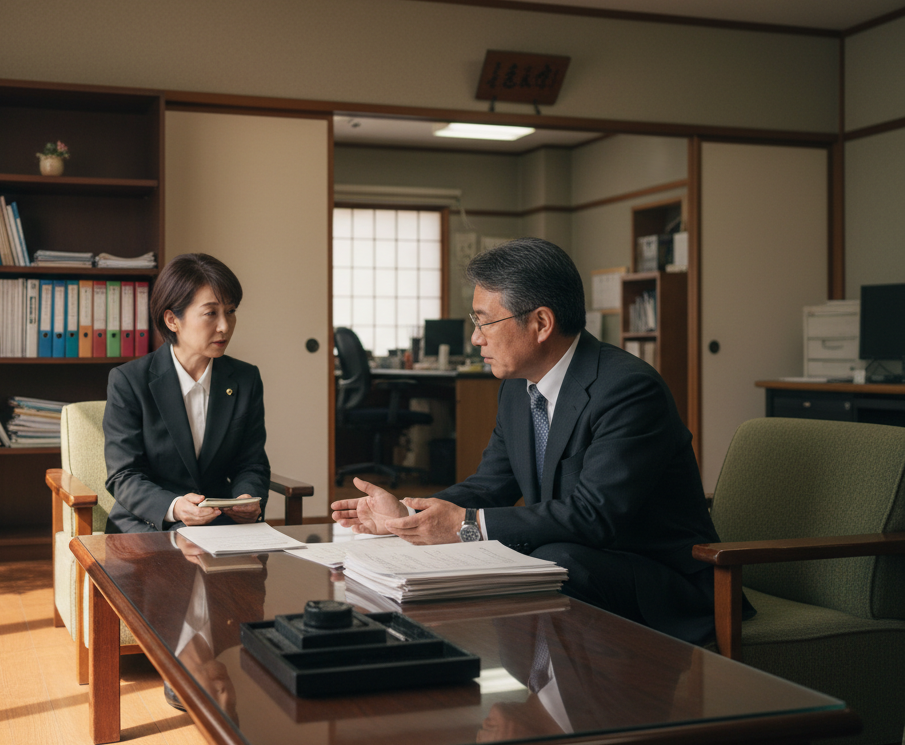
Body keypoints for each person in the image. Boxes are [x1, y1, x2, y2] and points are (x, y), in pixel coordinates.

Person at [331, 237, 737, 644]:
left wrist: (466, 525)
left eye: (484, 322)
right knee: (526, 560)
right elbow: (489, 487)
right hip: (577, 559)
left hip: (661, 581)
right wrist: (406, 516)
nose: (475, 339)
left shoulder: (627, 389)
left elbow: (594, 516)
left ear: (541, 323)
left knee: (546, 562)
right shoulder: (517, 388)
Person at [103, 252, 270, 533]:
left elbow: (251, 464)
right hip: (148, 524)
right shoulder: (128, 381)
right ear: (172, 320)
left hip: (219, 523)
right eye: (211, 313)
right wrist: (174, 506)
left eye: (230, 311)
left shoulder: (245, 379)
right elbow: (124, 475)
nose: (225, 326)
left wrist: (246, 498)